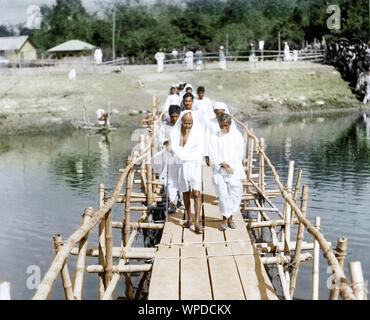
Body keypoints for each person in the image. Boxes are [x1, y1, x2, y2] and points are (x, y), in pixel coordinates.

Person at [167, 111, 205, 233]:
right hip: (181, 165)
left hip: (194, 165)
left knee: (196, 193)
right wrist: (169, 147)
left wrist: (187, 155)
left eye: (190, 123)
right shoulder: (176, 133)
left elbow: (199, 151)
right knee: (185, 191)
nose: (188, 126)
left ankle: (197, 222)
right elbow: (172, 148)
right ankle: (189, 218)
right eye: (185, 123)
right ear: (181, 122)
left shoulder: (197, 133)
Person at [208, 113, 245, 230]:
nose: (223, 128)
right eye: (221, 126)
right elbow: (212, 152)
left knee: (234, 193)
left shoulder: (237, 136)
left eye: (226, 126)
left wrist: (229, 164)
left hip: (233, 168)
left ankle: (231, 217)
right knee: (223, 195)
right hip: (220, 169)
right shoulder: (215, 136)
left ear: (230, 124)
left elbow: (239, 153)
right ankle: (224, 218)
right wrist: (222, 163)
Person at [154, 105, 182, 213]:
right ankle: (172, 202)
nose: (174, 119)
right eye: (172, 116)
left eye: (176, 116)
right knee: (169, 179)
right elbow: (160, 140)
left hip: (180, 157)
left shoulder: (183, 126)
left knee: (181, 178)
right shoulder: (164, 127)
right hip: (168, 157)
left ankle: (181, 200)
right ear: (169, 116)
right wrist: (166, 143)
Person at [204, 101, 235, 167]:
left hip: (227, 148)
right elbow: (206, 139)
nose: (220, 115)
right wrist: (206, 155)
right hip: (214, 150)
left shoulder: (229, 122)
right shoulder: (210, 123)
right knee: (215, 170)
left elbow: (233, 136)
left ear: (225, 111)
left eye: (222, 113)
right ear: (214, 112)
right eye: (217, 113)